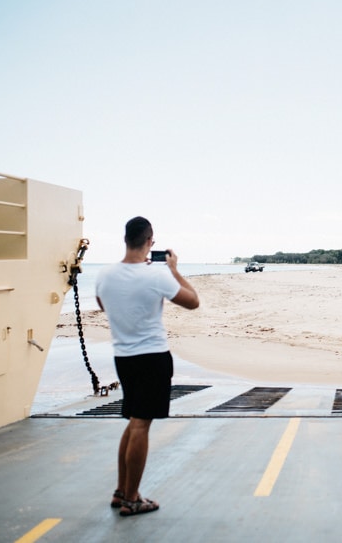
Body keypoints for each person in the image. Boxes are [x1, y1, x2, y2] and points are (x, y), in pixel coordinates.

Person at [96, 216, 199, 517]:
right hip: (152, 357)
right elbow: (193, 302)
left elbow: (105, 306)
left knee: (132, 419)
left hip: (123, 357)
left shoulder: (104, 274)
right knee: (141, 424)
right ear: (150, 242)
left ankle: (120, 491)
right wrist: (175, 271)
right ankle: (132, 498)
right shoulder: (157, 276)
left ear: (125, 240)